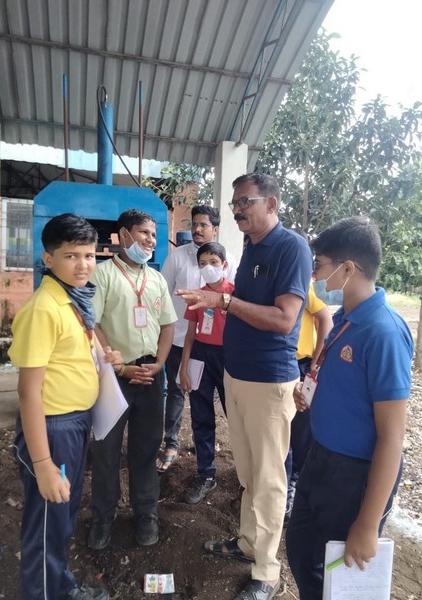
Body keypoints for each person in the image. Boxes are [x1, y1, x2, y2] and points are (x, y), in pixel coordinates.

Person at [176, 173, 312, 600]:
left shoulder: (291, 247)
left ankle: (267, 573)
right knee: (250, 472)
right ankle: (249, 544)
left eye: (244, 202)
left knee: (270, 478)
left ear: (271, 204)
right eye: (234, 203)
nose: (236, 209)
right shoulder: (251, 248)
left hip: (269, 383)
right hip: (238, 377)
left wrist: (225, 302)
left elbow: (285, 319)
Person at [285, 216, 414, 600]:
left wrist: (367, 522)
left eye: (319, 266)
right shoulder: (343, 320)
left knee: (339, 577)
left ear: (348, 269)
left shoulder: (383, 332)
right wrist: (310, 392)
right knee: (302, 550)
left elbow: (392, 438)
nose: (314, 277)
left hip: (354, 476)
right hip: (320, 459)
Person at [8, 213, 122, 600]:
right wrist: (42, 466)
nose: (83, 265)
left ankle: (60, 585)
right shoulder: (45, 309)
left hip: (74, 425)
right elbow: (28, 392)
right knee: (46, 522)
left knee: (63, 514)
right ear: (48, 258)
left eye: (90, 255)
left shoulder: (72, 301)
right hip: (52, 429)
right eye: (71, 255)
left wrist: (104, 356)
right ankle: (45, 591)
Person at [87, 208, 178, 550]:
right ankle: (102, 518)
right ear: (124, 235)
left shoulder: (155, 279)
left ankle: (146, 514)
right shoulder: (103, 274)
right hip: (114, 378)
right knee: (107, 452)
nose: (150, 241)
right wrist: (120, 366)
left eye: (153, 235)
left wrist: (160, 364)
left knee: (145, 449)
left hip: (151, 376)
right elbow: (92, 324)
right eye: (144, 233)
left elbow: (168, 325)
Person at [157, 206, 236, 473]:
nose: (197, 229)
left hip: (220, 348)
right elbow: (162, 293)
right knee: (178, 393)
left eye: (203, 224)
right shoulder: (177, 257)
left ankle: (239, 460)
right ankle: (171, 443)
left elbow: (234, 302)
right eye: (194, 224)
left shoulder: (229, 259)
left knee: (229, 402)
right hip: (182, 338)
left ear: (215, 228)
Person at [177, 241, 234, 504]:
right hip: (201, 354)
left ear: (224, 265)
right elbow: (190, 334)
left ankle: (245, 476)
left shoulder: (234, 295)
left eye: (213, 262)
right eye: (202, 264)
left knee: (236, 416)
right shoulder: (196, 295)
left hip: (229, 358)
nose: (207, 268)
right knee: (201, 415)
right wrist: (184, 367)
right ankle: (206, 474)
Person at [283, 281, 332, 525]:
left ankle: (292, 484)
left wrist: (315, 363)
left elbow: (325, 320)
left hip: (300, 365)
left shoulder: (304, 284)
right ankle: (281, 481)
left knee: (299, 429)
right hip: (277, 364)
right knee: (281, 429)